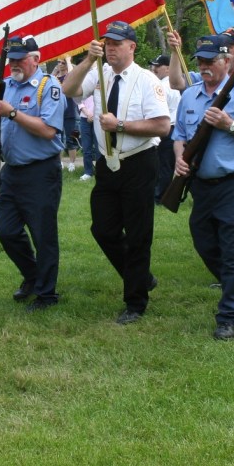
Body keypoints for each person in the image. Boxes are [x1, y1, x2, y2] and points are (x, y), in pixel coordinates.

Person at [62, 21, 170, 325]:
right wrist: (87, 60)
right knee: (103, 229)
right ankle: (141, 277)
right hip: (107, 162)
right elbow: (68, 89)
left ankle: (135, 301)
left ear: (132, 47)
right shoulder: (99, 74)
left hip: (138, 160)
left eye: (116, 44)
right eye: (107, 43)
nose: (110, 48)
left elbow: (162, 125)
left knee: (138, 234)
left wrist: (120, 126)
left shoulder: (147, 80)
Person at [172, 33, 234, 340]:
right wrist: (179, 159)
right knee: (203, 241)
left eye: (210, 61)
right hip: (201, 184)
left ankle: (228, 316)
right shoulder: (190, 96)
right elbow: (179, 134)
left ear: (227, 61)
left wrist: (229, 124)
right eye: (200, 61)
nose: (203, 66)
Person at [0, 35, 65, 311]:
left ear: (36, 59)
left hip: (41, 171)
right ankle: (33, 276)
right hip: (12, 170)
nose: (14, 64)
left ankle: (46, 294)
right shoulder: (6, 87)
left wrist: (13, 113)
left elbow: (48, 130)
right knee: (5, 230)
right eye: (12, 59)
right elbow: (0, 127)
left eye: (20, 59)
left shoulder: (48, 86)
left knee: (43, 234)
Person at [149, 54, 180, 202]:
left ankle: (160, 196)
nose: (154, 68)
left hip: (166, 128)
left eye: (158, 66)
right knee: (167, 164)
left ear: (168, 69)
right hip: (174, 128)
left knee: (163, 164)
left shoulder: (162, 86)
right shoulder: (174, 84)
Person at [53, 59, 80, 172]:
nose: (60, 64)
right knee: (57, 138)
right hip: (57, 111)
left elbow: (74, 76)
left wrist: (68, 61)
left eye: (62, 63)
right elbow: (46, 82)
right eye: (58, 62)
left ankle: (72, 163)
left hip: (70, 111)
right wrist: (54, 71)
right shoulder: (55, 77)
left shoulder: (69, 76)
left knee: (71, 138)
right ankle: (59, 162)